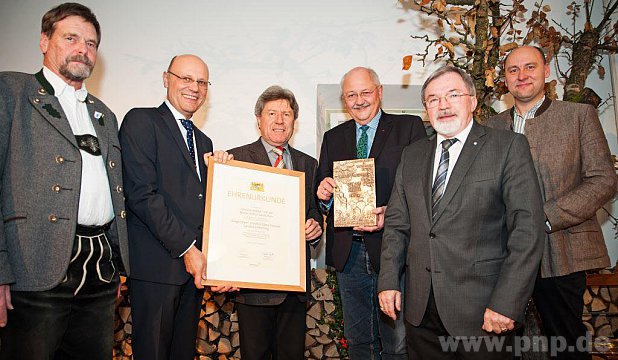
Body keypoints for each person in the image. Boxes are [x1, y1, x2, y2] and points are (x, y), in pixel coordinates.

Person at [378, 65, 545, 359]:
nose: (443, 105)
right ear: (426, 108)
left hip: (483, 313)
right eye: (432, 99)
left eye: (453, 94)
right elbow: (396, 225)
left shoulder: (507, 147)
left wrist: (507, 302)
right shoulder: (413, 154)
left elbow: (527, 230)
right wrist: (389, 281)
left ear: (473, 100)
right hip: (421, 314)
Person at [0, 3, 129, 359]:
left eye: (90, 43)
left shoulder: (104, 114)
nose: (82, 49)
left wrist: (117, 264)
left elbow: (115, 196)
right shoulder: (11, 92)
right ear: (44, 41)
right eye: (71, 38)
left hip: (99, 270)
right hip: (34, 265)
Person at [487, 45, 617, 360]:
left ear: (546, 72)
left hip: (562, 249)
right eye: (513, 70)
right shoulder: (491, 128)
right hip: (504, 256)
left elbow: (604, 180)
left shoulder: (578, 116)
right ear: (505, 79)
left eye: (529, 67)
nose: (521, 76)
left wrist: (545, 217)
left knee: (566, 343)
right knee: (502, 345)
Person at [315, 66, 426, 359]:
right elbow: (322, 189)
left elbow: (421, 190)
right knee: (358, 340)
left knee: (397, 342)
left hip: (394, 251)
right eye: (351, 94)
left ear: (379, 92)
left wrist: (390, 214)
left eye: (365, 92)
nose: (359, 100)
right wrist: (323, 194)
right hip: (348, 252)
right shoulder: (333, 137)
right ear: (344, 99)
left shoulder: (410, 128)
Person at [215, 85, 323, 359]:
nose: (279, 120)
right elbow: (225, 218)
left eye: (286, 114)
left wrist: (314, 226)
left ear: (294, 122)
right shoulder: (235, 159)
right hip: (253, 286)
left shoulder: (308, 164)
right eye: (272, 113)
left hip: (293, 286)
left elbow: (312, 209)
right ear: (259, 120)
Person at [119, 54, 214, 360]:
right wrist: (188, 249)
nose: (194, 88)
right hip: (157, 267)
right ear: (166, 79)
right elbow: (142, 195)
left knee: (182, 353)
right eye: (186, 78)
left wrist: (223, 175)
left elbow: (202, 203)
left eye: (201, 82)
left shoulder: (204, 141)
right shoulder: (141, 121)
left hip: (193, 272)